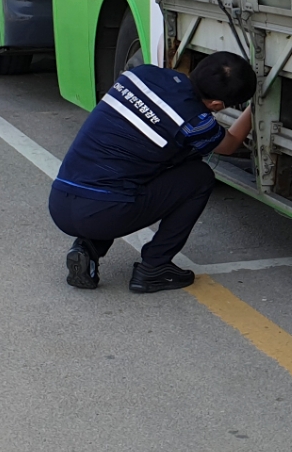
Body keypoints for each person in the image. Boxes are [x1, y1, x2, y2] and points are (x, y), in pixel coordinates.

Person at [48, 50, 257, 292]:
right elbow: (229, 145)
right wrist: (255, 107)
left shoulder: (142, 74)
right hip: (105, 212)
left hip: (61, 201)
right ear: (217, 105)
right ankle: (154, 267)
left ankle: (87, 249)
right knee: (199, 177)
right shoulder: (196, 121)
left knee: (132, 167)